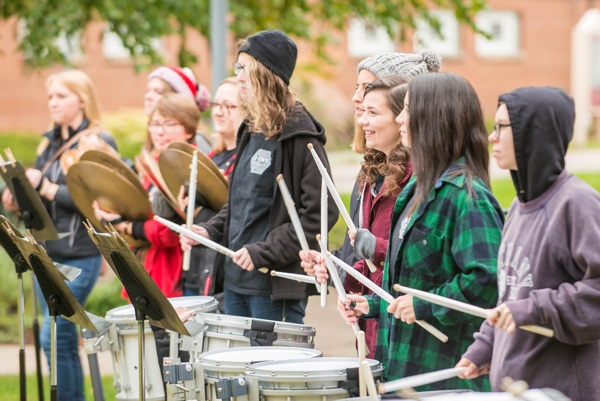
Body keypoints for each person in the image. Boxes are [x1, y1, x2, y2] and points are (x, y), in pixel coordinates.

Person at [338, 73, 503, 391]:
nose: (400, 118)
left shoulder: (468, 196)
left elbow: (487, 279)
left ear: (434, 117)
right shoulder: (415, 189)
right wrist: (373, 304)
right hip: (401, 370)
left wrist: (426, 305)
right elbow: (409, 282)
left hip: (445, 377)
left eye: (408, 109)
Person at [181, 30, 338, 324]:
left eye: (245, 68)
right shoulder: (251, 129)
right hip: (234, 283)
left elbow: (319, 216)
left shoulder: (300, 136)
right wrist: (210, 230)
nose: (238, 76)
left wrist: (264, 252)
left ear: (267, 73)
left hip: (271, 286)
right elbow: (239, 201)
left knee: (271, 368)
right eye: (236, 68)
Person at [457, 87, 600, 401]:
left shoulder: (576, 204)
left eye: (500, 127)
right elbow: (512, 295)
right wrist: (485, 347)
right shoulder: (520, 208)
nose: (491, 138)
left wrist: (537, 307)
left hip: (562, 391)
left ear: (532, 132)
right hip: (517, 388)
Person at [1, 70, 117, 401]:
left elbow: (98, 201)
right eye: (51, 97)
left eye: (61, 96)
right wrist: (17, 197)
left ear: (82, 99)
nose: (53, 103)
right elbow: (41, 201)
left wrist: (45, 185)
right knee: (53, 337)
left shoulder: (97, 142)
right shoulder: (48, 142)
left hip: (81, 251)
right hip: (47, 251)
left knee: (59, 333)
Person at [300, 50, 441, 281]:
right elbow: (359, 250)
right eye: (358, 87)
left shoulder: (422, 177)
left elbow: (421, 260)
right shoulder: (372, 167)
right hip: (372, 312)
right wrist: (335, 267)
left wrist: (372, 251)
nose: (356, 97)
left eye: (367, 88)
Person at [94, 93, 199, 299]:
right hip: (149, 265)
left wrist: (124, 226)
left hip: (176, 272)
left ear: (189, 129)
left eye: (169, 124)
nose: (159, 132)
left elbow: (169, 233)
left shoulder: (191, 165)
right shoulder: (153, 162)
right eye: (154, 124)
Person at [180, 77, 240, 300]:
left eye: (229, 106)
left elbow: (235, 214)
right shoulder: (212, 158)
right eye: (216, 105)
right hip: (200, 267)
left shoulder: (243, 160)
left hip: (226, 274)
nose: (218, 112)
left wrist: (195, 211)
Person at [144, 66, 213, 153]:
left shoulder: (197, 141)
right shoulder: (155, 132)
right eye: (148, 90)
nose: (148, 96)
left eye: (159, 92)